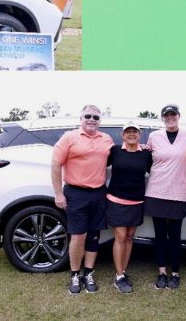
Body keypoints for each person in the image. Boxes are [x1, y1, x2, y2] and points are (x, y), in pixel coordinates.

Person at [51, 105, 114, 295]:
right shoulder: (69, 138)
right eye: (88, 116)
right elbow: (55, 164)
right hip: (76, 193)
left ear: (100, 120)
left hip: (99, 193)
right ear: (81, 118)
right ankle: (75, 275)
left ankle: (88, 273)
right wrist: (58, 193)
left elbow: (121, 154)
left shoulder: (107, 139)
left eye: (96, 116)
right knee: (78, 236)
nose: (92, 119)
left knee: (94, 235)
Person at [144, 104, 186, 290]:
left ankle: (175, 273)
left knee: (175, 235)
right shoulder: (154, 136)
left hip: (178, 193)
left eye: (173, 114)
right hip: (156, 191)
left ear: (179, 116)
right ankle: (162, 272)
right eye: (167, 115)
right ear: (162, 118)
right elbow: (147, 160)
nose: (170, 118)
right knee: (159, 235)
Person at [105, 121, 152, 294]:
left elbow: (155, 171)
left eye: (135, 132)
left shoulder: (146, 154)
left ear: (139, 135)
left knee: (130, 236)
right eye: (128, 132)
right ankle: (118, 277)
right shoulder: (115, 151)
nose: (131, 134)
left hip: (137, 201)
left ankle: (123, 272)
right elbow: (100, 165)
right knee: (121, 235)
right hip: (116, 199)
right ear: (123, 135)